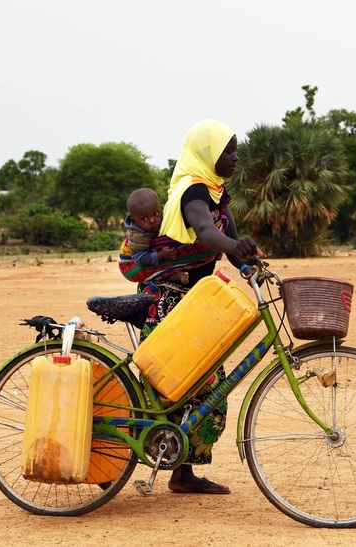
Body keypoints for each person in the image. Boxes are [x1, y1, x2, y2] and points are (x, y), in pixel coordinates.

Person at [146, 119, 260, 495]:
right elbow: (207, 233)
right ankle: (161, 460)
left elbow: (226, 239)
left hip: (196, 301)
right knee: (196, 387)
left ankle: (182, 475)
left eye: (235, 148)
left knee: (207, 389)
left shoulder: (216, 193)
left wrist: (249, 264)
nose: (235, 156)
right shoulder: (192, 190)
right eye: (227, 150)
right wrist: (233, 246)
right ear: (207, 153)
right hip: (169, 301)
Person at [121, 188, 190, 284]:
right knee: (147, 270)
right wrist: (161, 255)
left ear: (161, 208)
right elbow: (139, 258)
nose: (152, 220)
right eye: (144, 218)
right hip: (132, 263)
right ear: (134, 220)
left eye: (156, 214)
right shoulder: (138, 235)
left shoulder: (167, 217)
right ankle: (172, 276)